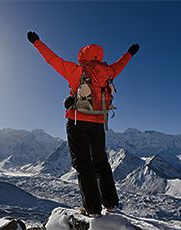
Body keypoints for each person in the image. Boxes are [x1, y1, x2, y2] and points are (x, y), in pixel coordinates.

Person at [26, 31, 139, 217]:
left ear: (82, 56)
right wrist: (130, 53)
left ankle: (93, 209)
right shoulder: (108, 72)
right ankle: (110, 204)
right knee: (101, 162)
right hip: (98, 122)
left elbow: (52, 59)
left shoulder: (76, 71)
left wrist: (36, 42)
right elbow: (121, 65)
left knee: (83, 164)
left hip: (77, 121)